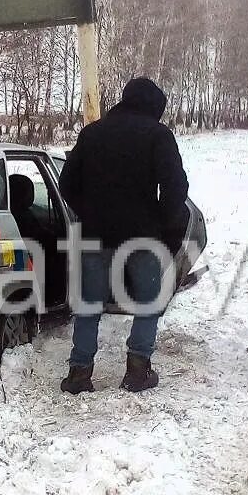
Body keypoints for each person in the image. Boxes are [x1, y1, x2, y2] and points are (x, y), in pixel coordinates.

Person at [58, 77, 189, 393]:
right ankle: (137, 370)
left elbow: (67, 184)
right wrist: (165, 225)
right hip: (142, 236)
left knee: (89, 305)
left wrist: (88, 212)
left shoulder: (92, 134)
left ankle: (79, 373)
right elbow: (176, 188)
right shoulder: (158, 135)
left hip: (94, 235)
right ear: (154, 107)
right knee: (149, 302)